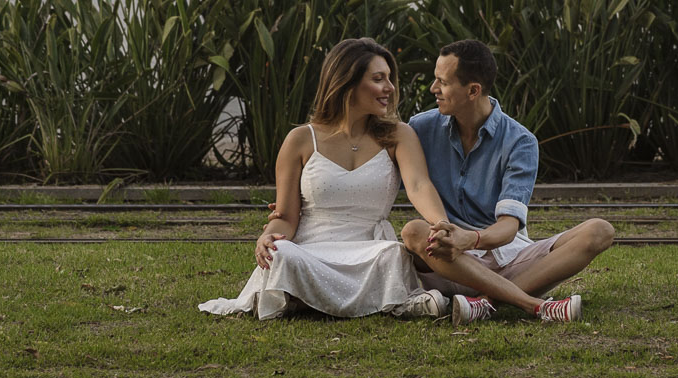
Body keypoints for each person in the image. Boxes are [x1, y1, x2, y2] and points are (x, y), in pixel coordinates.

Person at [199, 38, 450, 320]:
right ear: (347, 84)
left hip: (368, 250)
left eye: (389, 79)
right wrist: (268, 237)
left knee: (393, 253)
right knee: (281, 253)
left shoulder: (399, 135)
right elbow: (286, 216)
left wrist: (441, 224)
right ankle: (373, 302)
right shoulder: (300, 140)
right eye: (379, 79)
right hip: (311, 250)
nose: (389, 88)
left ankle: (306, 300)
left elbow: (418, 185)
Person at [402, 39, 616, 324]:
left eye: (442, 82)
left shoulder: (520, 141)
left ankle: (486, 302)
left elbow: (508, 227)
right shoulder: (419, 128)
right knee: (415, 231)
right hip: (446, 261)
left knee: (599, 230)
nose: (433, 89)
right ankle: (524, 302)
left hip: (505, 260)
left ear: (473, 90)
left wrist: (471, 239)